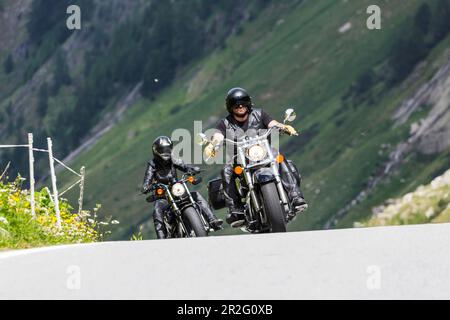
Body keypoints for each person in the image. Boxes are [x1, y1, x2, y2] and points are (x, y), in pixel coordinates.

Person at [205, 87, 308, 227]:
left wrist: (283, 127)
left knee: (280, 157)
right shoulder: (225, 123)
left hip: (263, 153)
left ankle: (295, 196)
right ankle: (236, 209)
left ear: (248, 103)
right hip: (239, 158)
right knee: (227, 171)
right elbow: (218, 135)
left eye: (243, 103)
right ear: (230, 107)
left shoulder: (260, 114)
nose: (240, 106)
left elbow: (272, 123)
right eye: (236, 104)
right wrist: (213, 144)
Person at [142, 136, 223, 239]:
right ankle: (161, 238)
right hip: (163, 196)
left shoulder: (173, 159)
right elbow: (148, 178)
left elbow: (183, 165)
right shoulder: (152, 164)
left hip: (176, 191)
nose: (165, 152)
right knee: (157, 210)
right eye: (163, 149)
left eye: (167, 149)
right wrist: (146, 187)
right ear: (156, 150)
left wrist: (192, 169)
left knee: (195, 195)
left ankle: (212, 220)